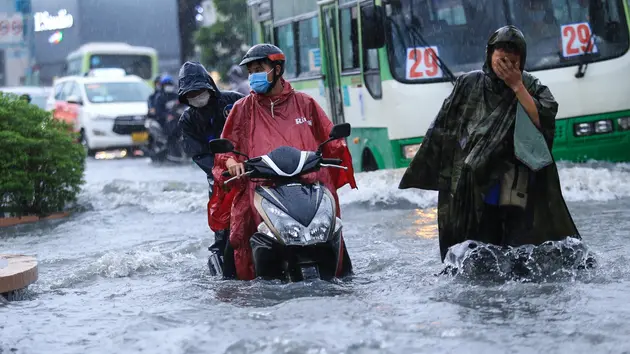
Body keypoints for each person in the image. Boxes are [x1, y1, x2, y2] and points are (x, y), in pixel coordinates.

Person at [398, 26, 580, 262]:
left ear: (521, 61)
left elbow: (542, 117)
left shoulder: (532, 86)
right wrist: (442, 175)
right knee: (473, 251)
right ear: (489, 54)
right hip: (471, 185)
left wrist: (517, 86)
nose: (506, 65)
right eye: (501, 57)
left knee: (516, 251)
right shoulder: (468, 84)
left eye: (512, 61)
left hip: (513, 183)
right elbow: (444, 130)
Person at [213, 44, 357, 280]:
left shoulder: (306, 103)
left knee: (333, 232)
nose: (253, 76)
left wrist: (335, 148)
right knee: (238, 237)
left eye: (259, 69)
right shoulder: (242, 109)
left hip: (306, 187)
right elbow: (225, 149)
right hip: (259, 188)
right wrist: (230, 163)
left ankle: (343, 275)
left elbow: (330, 139)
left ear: (277, 69)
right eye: (251, 71)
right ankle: (231, 287)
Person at [177, 61, 245, 278]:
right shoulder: (187, 120)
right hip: (219, 177)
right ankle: (224, 268)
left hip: (250, 167)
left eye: (199, 91)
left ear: (209, 86)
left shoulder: (234, 101)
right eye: (191, 94)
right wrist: (221, 169)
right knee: (223, 228)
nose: (197, 96)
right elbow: (198, 154)